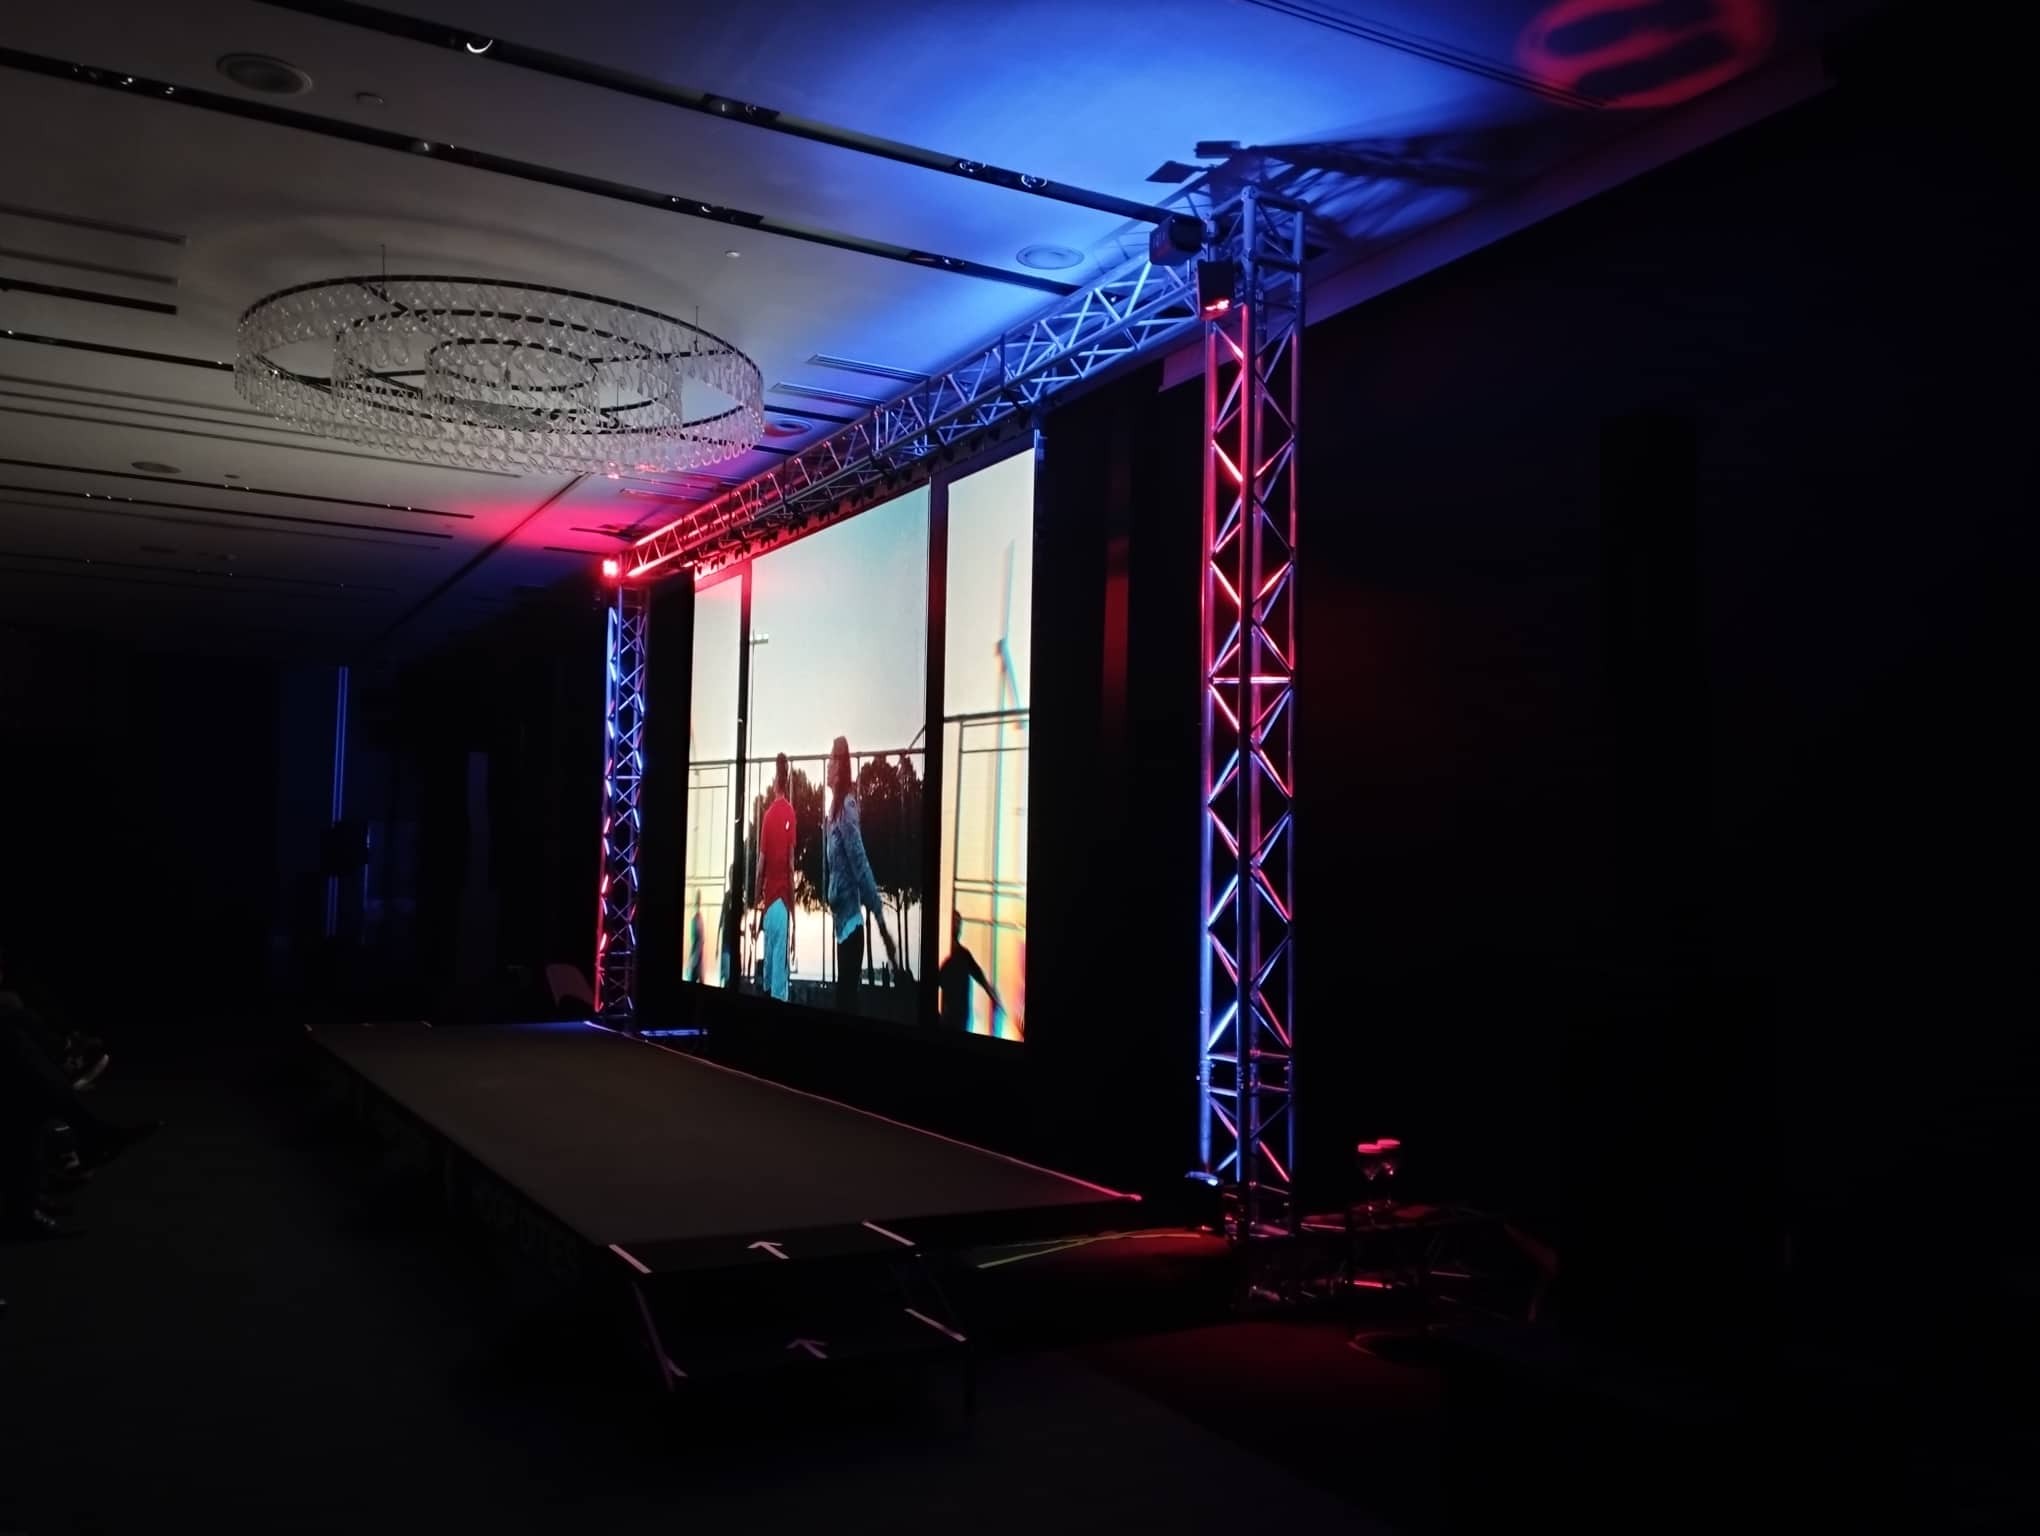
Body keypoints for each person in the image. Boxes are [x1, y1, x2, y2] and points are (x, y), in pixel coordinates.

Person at [824, 736, 895, 1015]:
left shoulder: (847, 808)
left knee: (846, 1005)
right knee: (844, 1003)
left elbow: (860, 863)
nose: (827, 764)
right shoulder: (833, 812)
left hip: (852, 930)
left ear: (840, 767)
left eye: (831, 759)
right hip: (842, 928)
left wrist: (881, 922)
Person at [753, 753, 796, 1002]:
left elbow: (760, 867)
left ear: (774, 780)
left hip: (768, 907)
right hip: (781, 904)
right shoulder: (789, 813)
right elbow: (790, 866)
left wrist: (756, 904)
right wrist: (794, 916)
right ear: (786, 779)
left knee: (768, 980)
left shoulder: (768, 816)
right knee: (780, 986)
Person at [937, 911, 1004, 1034]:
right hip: (951, 1019)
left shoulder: (963, 955)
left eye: (959, 922)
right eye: (955, 921)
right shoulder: (948, 956)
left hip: (960, 1019)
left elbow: (980, 977)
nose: (958, 926)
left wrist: (994, 996)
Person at [685, 892, 705, 984]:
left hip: (697, 957)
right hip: (697, 956)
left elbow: (700, 940)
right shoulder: (697, 919)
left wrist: (693, 960)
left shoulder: (698, 919)